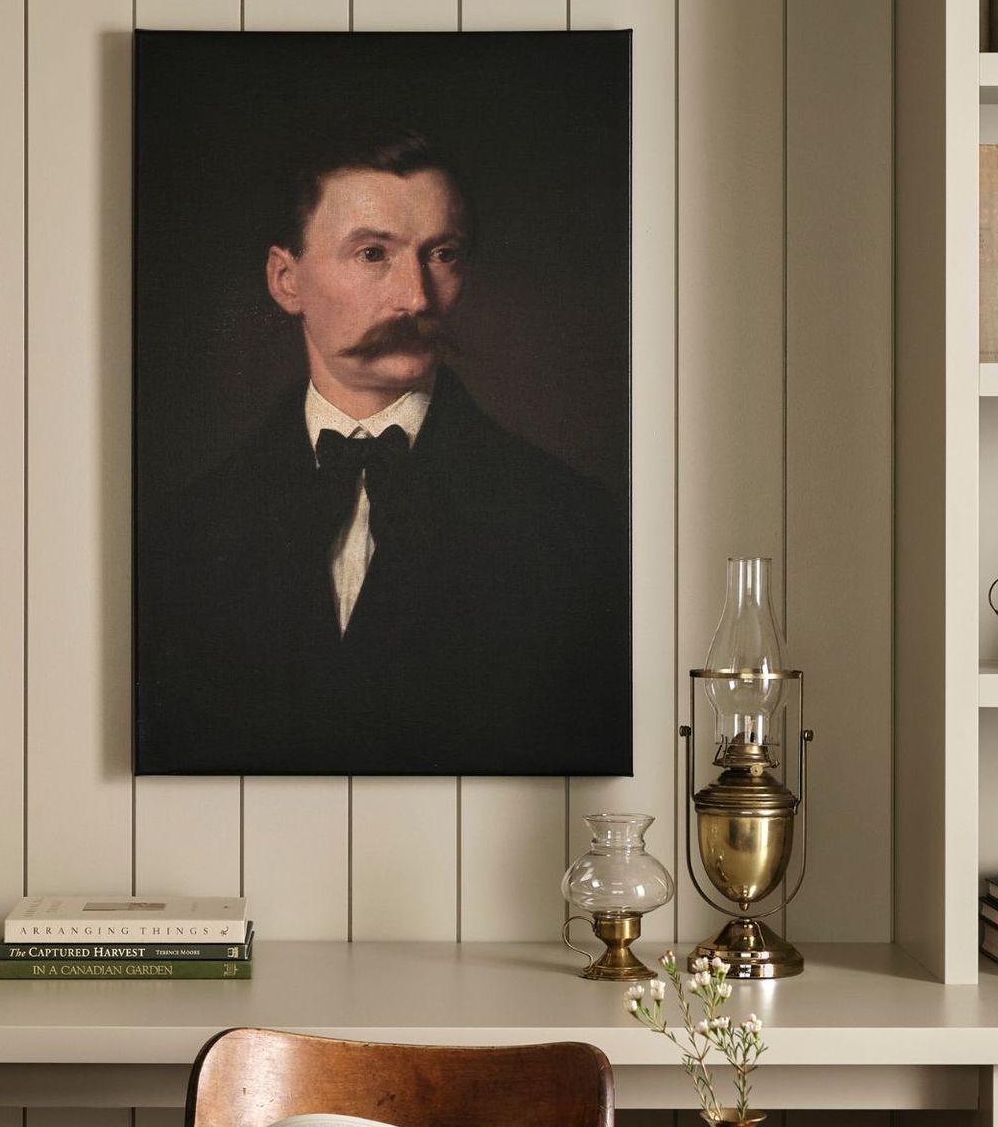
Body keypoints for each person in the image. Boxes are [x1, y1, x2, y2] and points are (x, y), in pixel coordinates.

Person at [134, 125, 630, 776]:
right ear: (286, 280)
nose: (416, 297)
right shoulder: (184, 535)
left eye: (442, 254)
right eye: (373, 254)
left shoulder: (570, 523)